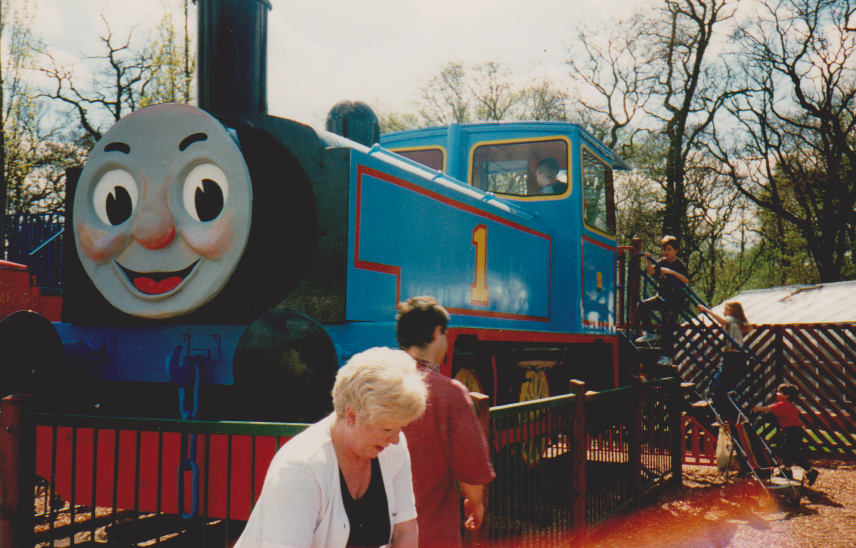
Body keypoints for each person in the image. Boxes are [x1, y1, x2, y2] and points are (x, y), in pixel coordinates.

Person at [234, 347, 428, 548]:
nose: (396, 439)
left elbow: (405, 530)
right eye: (387, 428)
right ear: (352, 416)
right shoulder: (300, 469)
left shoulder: (393, 447)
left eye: (401, 427)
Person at [397, 296, 496, 548]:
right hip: (430, 534)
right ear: (437, 332)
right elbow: (471, 469)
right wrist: (475, 503)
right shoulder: (449, 393)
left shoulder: (376, 384)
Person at [634, 235, 690, 366]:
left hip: (674, 300)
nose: (666, 252)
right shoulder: (662, 261)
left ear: (676, 250)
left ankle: (667, 357)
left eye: (669, 249)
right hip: (662, 296)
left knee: (667, 327)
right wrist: (648, 260)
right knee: (642, 305)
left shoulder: (679, 264)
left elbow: (685, 280)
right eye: (665, 249)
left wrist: (670, 272)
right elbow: (651, 272)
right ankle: (650, 332)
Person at [753, 383, 819, 486]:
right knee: (790, 452)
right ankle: (789, 471)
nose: (777, 393)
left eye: (780, 392)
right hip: (793, 431)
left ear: (787, 395)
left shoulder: (783, 404)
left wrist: (757, 409)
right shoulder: (788, 405)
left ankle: (809, 471)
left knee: (788, 451)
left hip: (793, 432)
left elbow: (770, 409)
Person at [697, 301, 752, 421]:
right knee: (720, 387)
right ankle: (732, 414)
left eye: (725, 310)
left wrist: (706, 310)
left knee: (716, 386)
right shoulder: (738, 321)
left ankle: (730, 414)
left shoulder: (730, 319)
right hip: (737, 357)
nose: (723, 312)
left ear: (731, 311)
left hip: (731, 357)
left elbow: (722, 321)